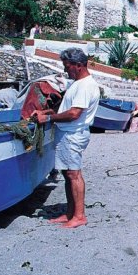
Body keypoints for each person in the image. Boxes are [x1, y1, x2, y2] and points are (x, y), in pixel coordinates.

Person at [31, 48, 100, 229]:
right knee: (67, 173)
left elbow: (74, 114)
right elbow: (67, 110)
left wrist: (47, 118)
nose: (66, 70)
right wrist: (48, 112)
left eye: (67, 67)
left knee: (73, 174)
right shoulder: (77, 84)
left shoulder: (85, 85)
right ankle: (70, 213)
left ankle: (79, 216)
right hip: (67, 134)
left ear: (78, 65)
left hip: (73, 134)